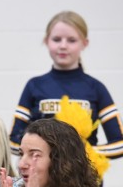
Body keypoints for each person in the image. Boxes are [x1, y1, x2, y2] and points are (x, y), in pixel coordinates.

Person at [10, 11, 123, 159]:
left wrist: (80, 153)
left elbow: (119, 143)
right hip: (41, 178)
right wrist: (42, 152)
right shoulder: (34, 86)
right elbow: (13, 142)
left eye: (71, 40)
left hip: (85, 179)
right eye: (56, 39)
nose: (63, 46)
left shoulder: (96, 88)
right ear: (46, 41)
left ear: (84, 43)